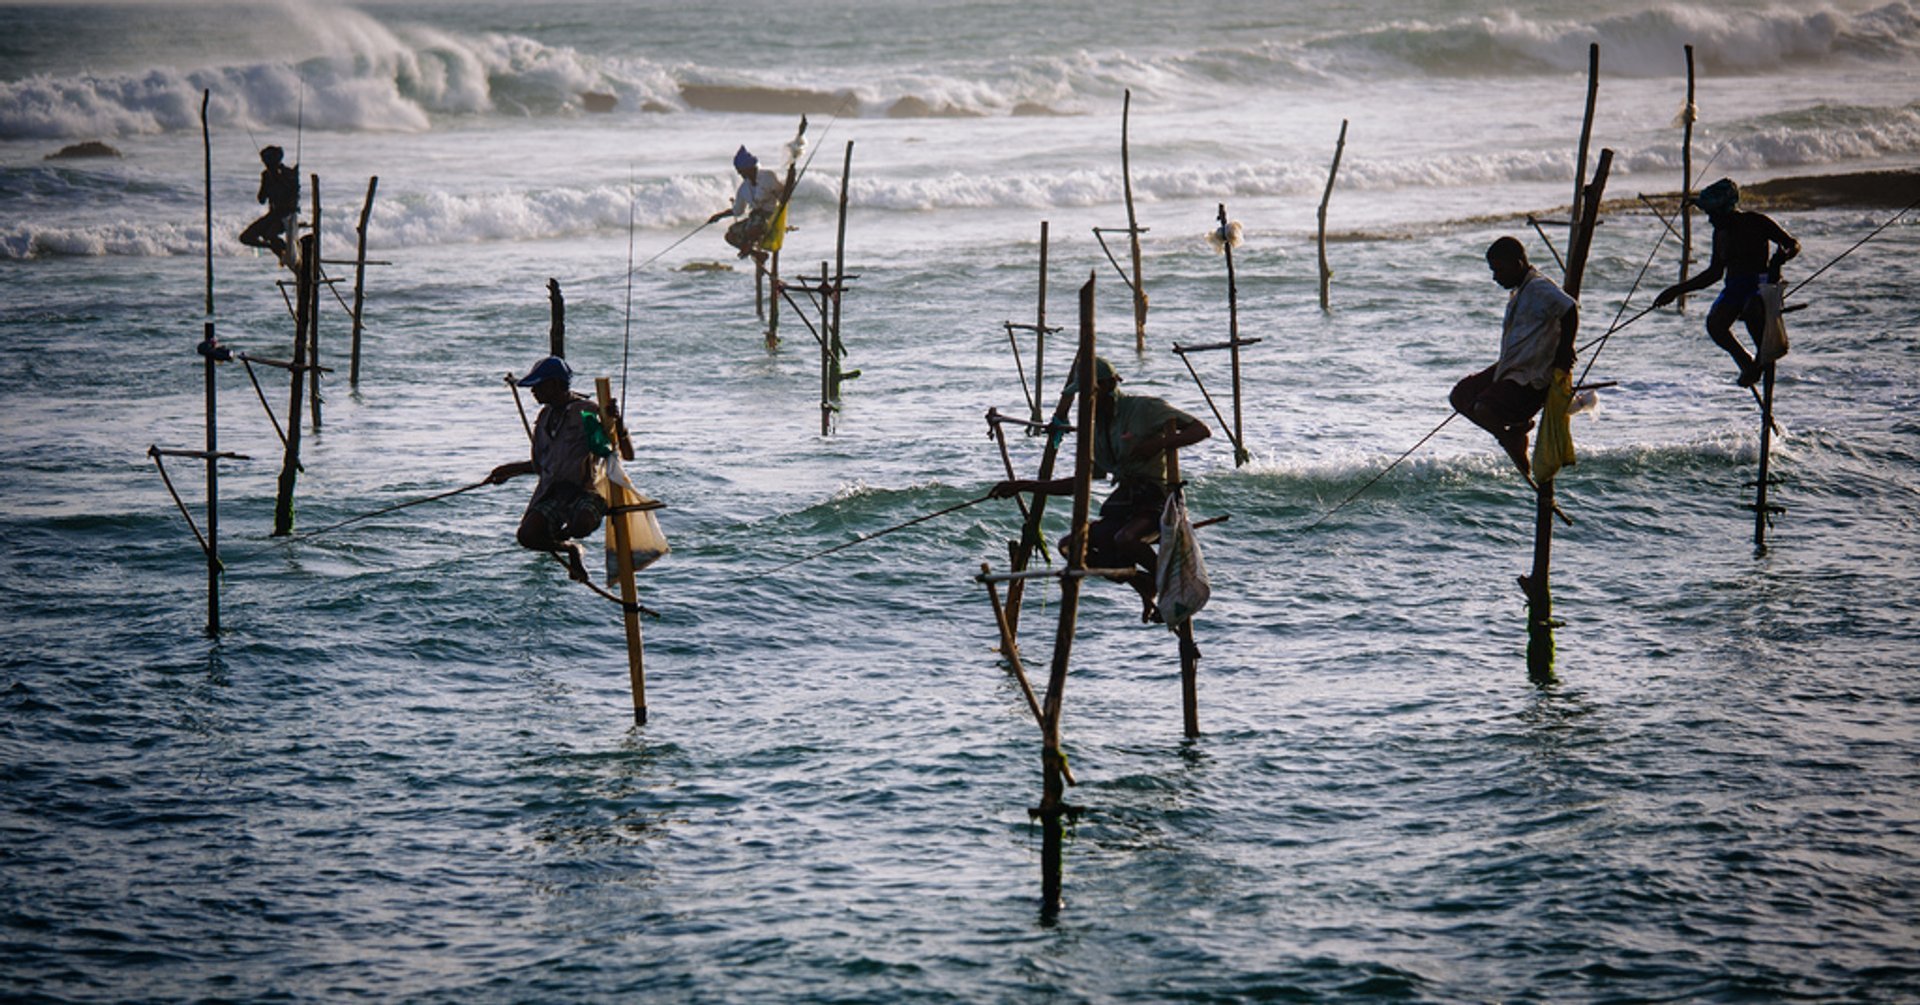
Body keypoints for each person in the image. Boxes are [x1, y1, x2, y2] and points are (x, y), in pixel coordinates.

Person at [991, 357, 1211, 623]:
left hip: (1155, 501)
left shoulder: (1143, 408)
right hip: (1124, 503)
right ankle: (1141, 582)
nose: (1085, 400)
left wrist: (1160, 444)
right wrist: (1023, 485)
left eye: (1089, 392)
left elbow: (1201, 430)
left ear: (1108, 385)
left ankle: (1166, 586)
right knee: (1069, 547)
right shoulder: (1095, 429)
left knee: (1125, 539)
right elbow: (1079, 482)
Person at [1450, 236, 1579, 480]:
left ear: (1517, 263)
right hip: (1513, 366)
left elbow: (1569, 308)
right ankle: (1511, 435)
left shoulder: (1539, 287)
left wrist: (1565, 349)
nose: (1495, 277)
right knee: (1460, 395)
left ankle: (1511, 437)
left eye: (1498, 269)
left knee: (1484, 409)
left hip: (1531, 376)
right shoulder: (1521, 290)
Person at [1652, 177, 1800, 387]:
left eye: (1712, 214)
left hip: (1761, 285)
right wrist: (1676, 290)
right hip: (1734, 287)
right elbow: (1714, 273)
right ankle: (1747, 363)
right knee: (1715, 324)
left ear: (1725, 210)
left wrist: (1784, 256)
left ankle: (1765, 398)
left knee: (1755, 320)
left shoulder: (1756, 222)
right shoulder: (1720, 234)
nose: (1710, 220)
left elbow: (1792, 244)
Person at [487, 356, 608, 583]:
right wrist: (507, 470)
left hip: (584, 491)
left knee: (580, 526)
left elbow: (604, 450)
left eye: (538, 385)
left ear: (553, 384)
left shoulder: (587, 412)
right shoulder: (544, 417)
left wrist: (613, 424)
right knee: (527, 536)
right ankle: (571, 549)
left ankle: (572, 534)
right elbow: (541, 465)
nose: (533, 392)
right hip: (554, 493)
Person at [706, 145, 784, 264]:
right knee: (730, 235)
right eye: (739, 171)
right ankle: (757, 254)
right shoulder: (743, 189)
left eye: (741, 170)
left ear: (750, 167)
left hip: (771, 218)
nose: (740, 174)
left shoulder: (768, 176)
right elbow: (738, 211)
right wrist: (719, 216)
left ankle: (748, 245)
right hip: (754, 221)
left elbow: (782, 194)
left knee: (755, 223)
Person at [237, 145, 299, 261]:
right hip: (273, 215)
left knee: (270, 234)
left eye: (267, 161)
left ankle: (284, 252)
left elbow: (293, 196)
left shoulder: (288, 174)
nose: (265, 164)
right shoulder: (266, 175)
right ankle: (275, 247)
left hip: (286, 216)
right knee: (245, 237)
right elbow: (261, 199)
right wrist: (266, 183)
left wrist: (281, 180)